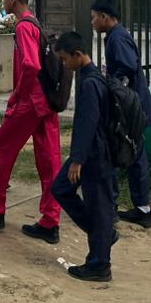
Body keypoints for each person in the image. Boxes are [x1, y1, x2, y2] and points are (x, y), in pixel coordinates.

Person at [0, 0, 62, 243]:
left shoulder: (24, 26)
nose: (3, 1)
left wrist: (17, 96)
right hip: (45, 101)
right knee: (49, 159)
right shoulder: (35, 23)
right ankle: (51, 220)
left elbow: (31, 65)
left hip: (30, 101)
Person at [50, 31, 119, 282]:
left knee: (98, 208)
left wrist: (77, 160)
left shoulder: (91, 83)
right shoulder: (91, 77)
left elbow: (88, 124)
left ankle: (99, 265)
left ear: (77, 55)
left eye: (65, 59)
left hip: (94, 156)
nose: (64, 64)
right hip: (89, 152)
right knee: (60, 189)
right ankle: (103, 235)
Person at [91, 0, 151, 229]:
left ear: (104, 17)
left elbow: (127, 68)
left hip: (130, 108)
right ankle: (141, 208)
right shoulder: (116, 36)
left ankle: (121, 208)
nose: (93, 22)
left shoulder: (117, 38)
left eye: (94, 18)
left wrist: (113, 88)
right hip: (133, 105)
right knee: (135, 155)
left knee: (125, 153)